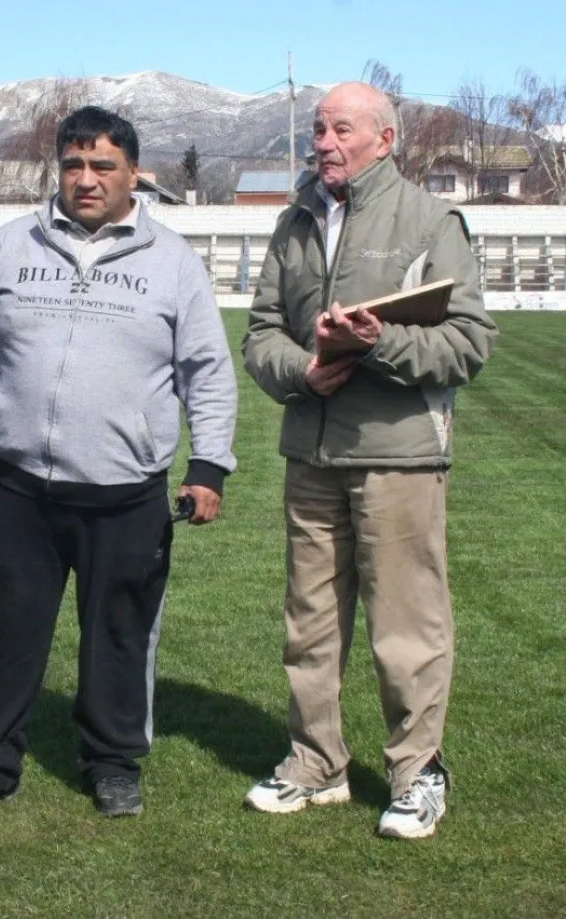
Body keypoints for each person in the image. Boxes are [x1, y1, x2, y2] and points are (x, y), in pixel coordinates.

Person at [0, 106, 237, 819]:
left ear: (134, 173)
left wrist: (209, 466)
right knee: (0, 633)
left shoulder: (172, 262)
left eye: (103, 166)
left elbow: (208, 370)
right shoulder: (10, 246)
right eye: (73, 164)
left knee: (119, 636)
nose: (86, 179)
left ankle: (112, 763)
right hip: (19, 489)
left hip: (127, 492)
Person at [241, 82, 497, 839]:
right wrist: (303, 371)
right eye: (318, 128)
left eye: (339, 128)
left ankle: (417, 774)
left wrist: (377, 341)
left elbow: (469, 342)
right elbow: (260, 334)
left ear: (384, 140)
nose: (322, 140)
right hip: (310, 453)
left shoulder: (429, 219)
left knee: (404, 625)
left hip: (400, 458)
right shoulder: (294, 221)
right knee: (309, 622)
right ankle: (316, 761)